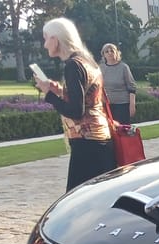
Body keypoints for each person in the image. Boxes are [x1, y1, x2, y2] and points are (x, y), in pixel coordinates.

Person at [35, 17, 116, 192]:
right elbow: (89, 99)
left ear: (56, 39)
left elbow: (76, 111)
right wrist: (59, 92)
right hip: (100, 139)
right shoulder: (87, 61)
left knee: (75, 201)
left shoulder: (72, 65)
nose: (45, 44)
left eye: (46, 38)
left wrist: (49, 95)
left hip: (87, 142)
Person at [99, 43, 137, 125]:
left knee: (122, 131)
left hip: (122, 105)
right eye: (107, 51)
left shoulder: (123, 67)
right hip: (107, 105)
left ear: (116, 53)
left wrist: (132, 105)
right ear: (103, 55)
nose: (109, 53)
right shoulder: (101, 68)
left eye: (112, 51)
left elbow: (132, 87)